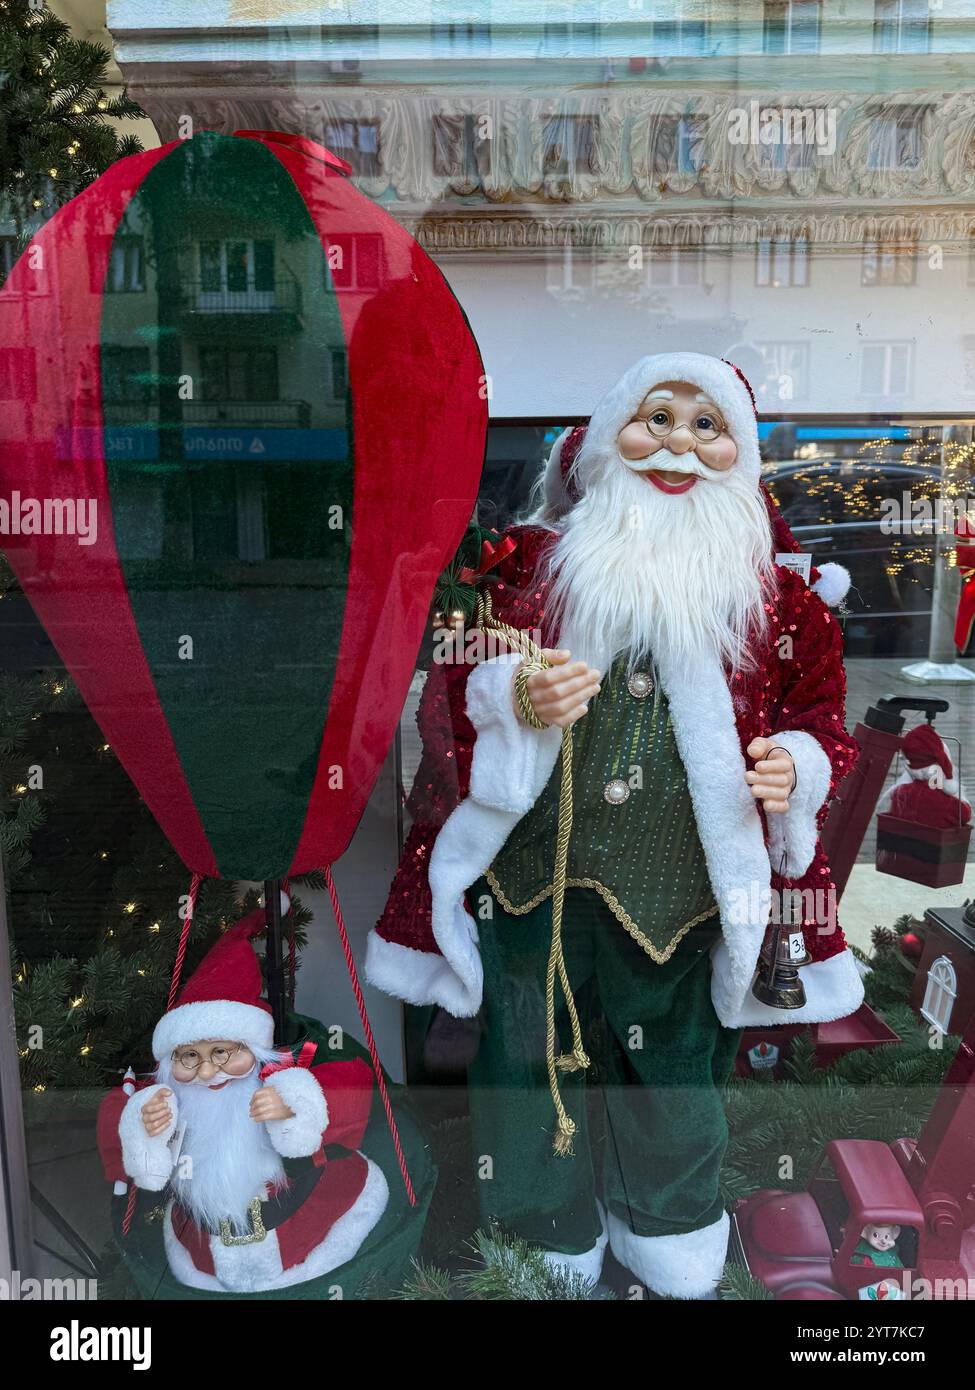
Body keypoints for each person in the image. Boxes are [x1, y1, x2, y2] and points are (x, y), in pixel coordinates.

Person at [367, 352, 863, 1297]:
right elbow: (449, 692)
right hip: (529, 884)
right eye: (655, 417)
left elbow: (822, 720)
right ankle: (540, 1233)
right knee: (521, 1067)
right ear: (605, 438)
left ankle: (667, 1230)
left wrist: (792, 764)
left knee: (673, 1076)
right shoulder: (530, 571)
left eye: (704, 425)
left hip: (679, 895)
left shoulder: (777, 602)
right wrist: (511, 690)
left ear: (739, 457)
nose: (677, 443)